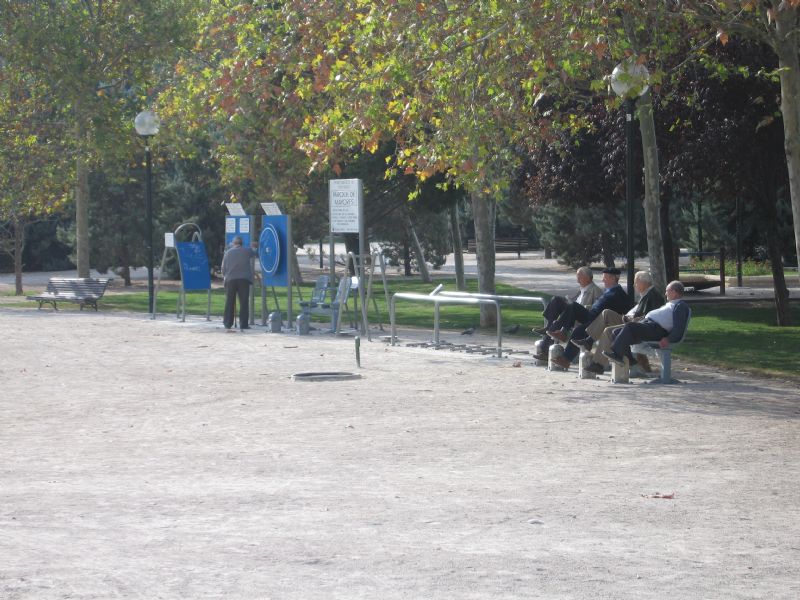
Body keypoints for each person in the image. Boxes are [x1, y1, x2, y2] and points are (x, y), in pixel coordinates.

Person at [572, 271, 665, 374]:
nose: (634, 285)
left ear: (644, 283)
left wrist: (631, 319)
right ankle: (589, 342)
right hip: (630, 322)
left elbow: (650, 317)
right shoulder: (646, 295)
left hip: (637, 326)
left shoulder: (653, 296)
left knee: (607, 329)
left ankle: (597, 362)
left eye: (636, 282)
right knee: (606, 313)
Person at [548, 267, 633, 369]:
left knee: (579, 330)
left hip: (599, 321)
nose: (602, 280)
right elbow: (597, 306)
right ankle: (563, 332)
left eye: (605, 278)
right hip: (592, 316)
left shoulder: (618, 293)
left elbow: (618, 314)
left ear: (613, 278)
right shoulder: (610, 291)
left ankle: (566, 359)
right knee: (573, 307)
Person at [603, 280, 689, 367]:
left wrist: (668, 339)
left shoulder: (680, 306)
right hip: (650, 326)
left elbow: (679, 327)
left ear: (674, 292)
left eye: (667, 291)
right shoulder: (671, 304)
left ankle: (617, 354)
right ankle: (630, 359)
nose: (666, 294)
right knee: (616, 332)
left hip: (657, 330)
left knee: (630, 326)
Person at [532, 266, 602, 361]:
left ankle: (558, 336)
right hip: (572, 313)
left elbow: (596, 309)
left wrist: (580, 306)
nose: (577, 280)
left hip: (584, 317)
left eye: (579, 277)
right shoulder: (581, 289)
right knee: (556, 300)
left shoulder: (596, 290)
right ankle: (549, 328)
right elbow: (574, 301)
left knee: (559, 322)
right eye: (577, 277)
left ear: (588, 278)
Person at [222, 236, 258, 331]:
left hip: (230, 280)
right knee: (244, 302)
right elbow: (255, 252)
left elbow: (223, 268)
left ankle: (227, 323)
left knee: (229, 301)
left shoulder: (228, 253)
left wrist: (225, 276)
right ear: (241, 243)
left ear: (234, 243)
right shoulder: (246, 251)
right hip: (243, 280)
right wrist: (254, 246)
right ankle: (243, 324)